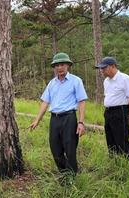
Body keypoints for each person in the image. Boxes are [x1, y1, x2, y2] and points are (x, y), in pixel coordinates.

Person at [28, 52, 88, 182]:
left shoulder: (76, 81)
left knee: (70, 148)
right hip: (54, 119)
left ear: (67, 65)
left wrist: (81, 122)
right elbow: (45, 102)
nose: (60, 68)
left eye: (62, 65)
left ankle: (71, 178)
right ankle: (65, 173)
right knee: (55, 148)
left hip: (69, 118)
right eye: (57, 65)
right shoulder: (52, 83)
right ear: (54, 67)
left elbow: (81, 101)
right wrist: (37, 120)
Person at [95, 57, 129, 158]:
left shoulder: (125, 79)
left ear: (113, 66)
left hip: (120, 111)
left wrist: (127, 112)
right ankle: (114, 161)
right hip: (108, 112)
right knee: (110, 138)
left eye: (104, 68)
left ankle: (127, 163)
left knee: (121, 139)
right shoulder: (106, 81)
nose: (103, 71)